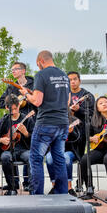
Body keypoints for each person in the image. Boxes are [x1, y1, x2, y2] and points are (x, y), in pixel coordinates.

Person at [18, 50, 70, 195]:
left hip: (46, 123)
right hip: (63, 122)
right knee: (59, 159)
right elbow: (67, 101)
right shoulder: (64, 76)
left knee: (36, 159)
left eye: (37, 64)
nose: (38, 67)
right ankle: (62, 193)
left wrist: (26, 94)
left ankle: (37, 195)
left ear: (41, 61)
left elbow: (37, 100)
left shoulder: (41, 75)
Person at [0, 95, 33, 196]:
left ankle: (33, 188)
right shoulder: (3, 121)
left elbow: (35, 138)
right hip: (8, 150)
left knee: (31, 157)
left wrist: (26, 133)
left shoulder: (27, 119)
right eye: (11, 109)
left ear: (19, 105)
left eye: (16, 108)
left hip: (24, 149)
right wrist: (1, 140)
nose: (14, 111)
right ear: (6, 108)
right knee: (5, 157)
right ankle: (12, 188)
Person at [46, 111, 83, 196]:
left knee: (66, 157)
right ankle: (54, 186)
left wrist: (71, 133)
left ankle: (69, 187)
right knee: (49, 158)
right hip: (54, 151)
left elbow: (79, 139)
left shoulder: (74, 120)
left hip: (70, 150)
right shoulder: (51, 121)